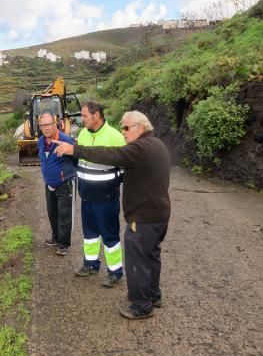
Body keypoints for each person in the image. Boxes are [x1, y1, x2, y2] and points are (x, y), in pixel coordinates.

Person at [54, 110, 171, 320]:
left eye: (126, 128)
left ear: (140, 128)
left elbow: (110, 155)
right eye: (122, 128)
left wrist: (75, 150)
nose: (123, 132)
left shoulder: (140, 148)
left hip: (143, 217)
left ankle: (142, 306)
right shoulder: (158, 145)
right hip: (159, 214)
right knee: (152, 256)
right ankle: (153, 296)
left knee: (138, 260)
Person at [73, 101, 126, 288]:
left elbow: (124, 169)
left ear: (96, 115)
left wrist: (110, 186)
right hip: (86, 196)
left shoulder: (115, 137)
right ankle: (90, 265)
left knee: (110, 236)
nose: (82, 119)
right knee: (90, 235)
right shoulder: (82, 134)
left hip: (106, 199)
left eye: (85, 115)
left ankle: (115, 272)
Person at [37, 112, 77, 256]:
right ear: (40, 127)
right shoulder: (41, 141)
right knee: (52, 212)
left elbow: (76, 157)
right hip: (49, 183)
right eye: (43, 125)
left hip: (64, 183)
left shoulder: (65, 140)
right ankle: (55, 237)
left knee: (64, 214)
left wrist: (66, 173)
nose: (46, 128)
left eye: (49, 124)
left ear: (55, 124)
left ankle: (64, 243)